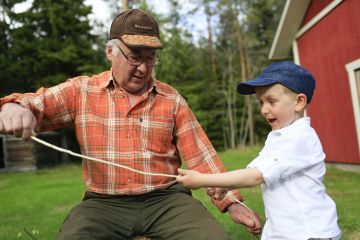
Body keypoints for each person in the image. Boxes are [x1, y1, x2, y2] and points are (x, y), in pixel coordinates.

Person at [0, 9, 261, 240]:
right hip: (103, 205)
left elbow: (202, 156)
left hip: (167, 201)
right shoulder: (82, 91)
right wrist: (13, 106)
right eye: (135, 56)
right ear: (110, 51)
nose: (143, 68)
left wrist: (231, 202)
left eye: (151, 58)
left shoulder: (171, 99)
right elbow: (37, 103)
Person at [177, 61, 342, 240]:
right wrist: (225, 184)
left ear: (299, 102)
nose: (264, 110)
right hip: (285, 232)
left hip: (309, 233)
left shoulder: (300, 138)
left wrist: (202, 179)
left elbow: (256, 176)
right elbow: (251, 171)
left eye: (271, 101)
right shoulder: (278, 136)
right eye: (261, 102)